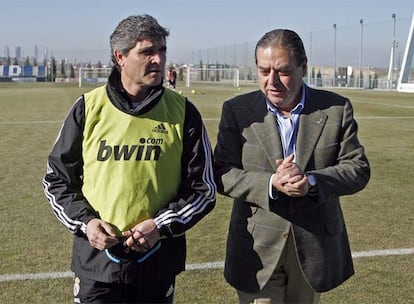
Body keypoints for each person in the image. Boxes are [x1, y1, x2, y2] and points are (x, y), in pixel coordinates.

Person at [42, 14, 216, 304]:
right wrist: (87, 224)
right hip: (96, 263)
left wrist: (159, 225)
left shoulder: (184, 112)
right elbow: (56, 179)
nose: (159, 60)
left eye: (162, 50)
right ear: (120, 57)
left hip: (156, 262)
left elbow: (203, 190)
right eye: (147, 51)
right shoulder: (88, 107)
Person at [213, 29, 370, 303]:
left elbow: (357, 168)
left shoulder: (335, 108)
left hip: (314, 248)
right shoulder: (237, 110)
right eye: (264, 71)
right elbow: (221, 173)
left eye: (282, 71)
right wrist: (271, 184)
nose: (271, 81)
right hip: (257, 249)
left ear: (303, 67)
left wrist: (310, 181)